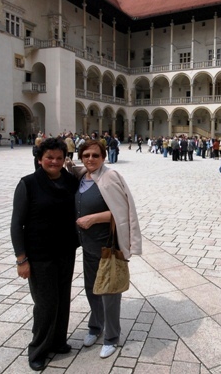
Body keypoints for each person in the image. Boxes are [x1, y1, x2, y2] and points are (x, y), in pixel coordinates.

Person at [10, 138, 79, 371]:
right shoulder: (28, 184)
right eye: (49, 157)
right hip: (39, 255)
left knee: (62, 299)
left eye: (59, 158)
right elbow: (16, 224)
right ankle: (38, 349)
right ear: (40, 159)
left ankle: (58, 340)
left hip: (65, 251)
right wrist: (21, 259)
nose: (55, 162)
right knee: (46, 303)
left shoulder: (70, 181)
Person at [69, 140, 142, 359]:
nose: (90, 159)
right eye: (86, 155)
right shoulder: (82, 177)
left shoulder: (110, 178)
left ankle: (111, 337)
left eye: (95, 155)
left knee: (109, 293)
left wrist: (93, 218)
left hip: (106, 246)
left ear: (103, 157)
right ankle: (96, 326)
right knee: (92, 288)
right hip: (88, 246)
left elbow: (122, 211)